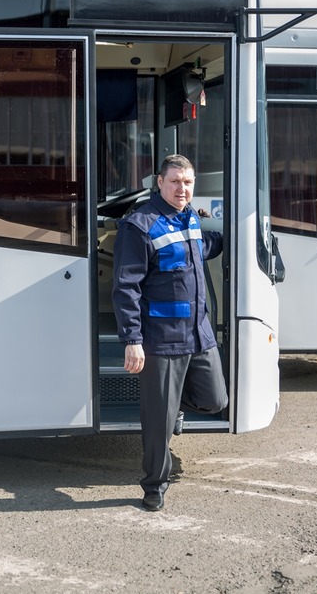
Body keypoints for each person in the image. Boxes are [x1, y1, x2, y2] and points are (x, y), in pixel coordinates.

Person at [112, 153, 228, 512]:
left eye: (188, 182)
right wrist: (133, 340)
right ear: (159, 182)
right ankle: (154, 485)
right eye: (175, 181)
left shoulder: (190, 217)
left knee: (216, 400)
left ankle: (174, 402)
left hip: (198, 335)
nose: (182, 188)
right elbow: (125, 287)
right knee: (158, 424)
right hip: (161, 339)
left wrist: (230, 238)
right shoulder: (140, 225)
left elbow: (197, 251)